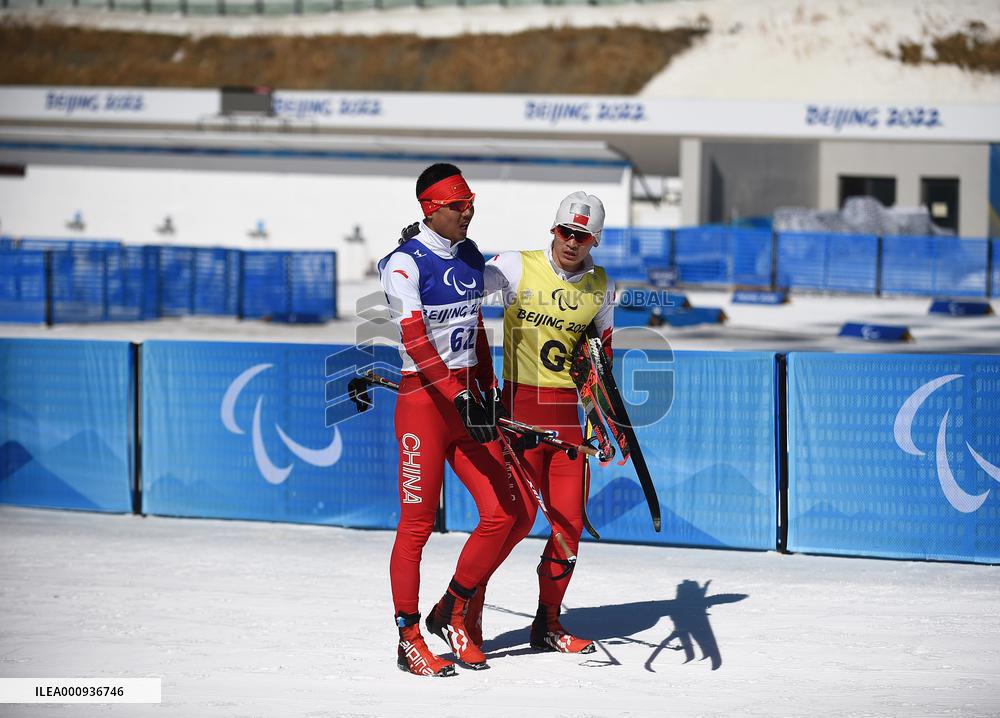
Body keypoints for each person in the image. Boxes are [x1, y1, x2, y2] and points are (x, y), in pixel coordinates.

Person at [378, 163, 525, 677]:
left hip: (464, 401)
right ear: (430, 209)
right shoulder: (402, 264)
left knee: (504, 512)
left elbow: (476, 328)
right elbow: (415, 340)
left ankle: (452, 610)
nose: (469, 211)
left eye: (471, 203)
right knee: (416, 526)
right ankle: (408, 636)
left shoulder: (467, 254)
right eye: (460, 205)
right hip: (423, 404)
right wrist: (454, 395)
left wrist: (486, 388)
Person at [473, 191, 616, 654]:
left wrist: (602, 427)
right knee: (513, 521)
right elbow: (460, 287)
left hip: (567, 421)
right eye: (565, 232)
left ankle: (548, 624)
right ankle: (465, 610)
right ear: (553, 231)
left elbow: (600, 363)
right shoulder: (516, 265)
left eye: (583, 236)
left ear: (595, 241)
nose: (572, 242)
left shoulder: (601, 287)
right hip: (518, 414)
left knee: (568, 525)